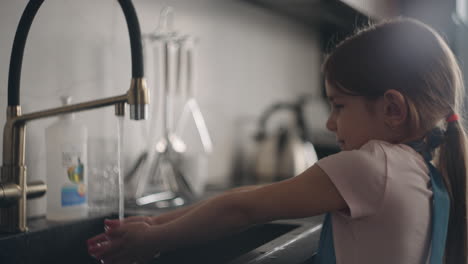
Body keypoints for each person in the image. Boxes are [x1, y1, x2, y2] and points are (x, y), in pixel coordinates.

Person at [87, 18, 468, 264]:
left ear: (392, 109)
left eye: (339, 105)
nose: (330, 122)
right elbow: (243, 202)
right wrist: (154, 224)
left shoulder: (370, 165)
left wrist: (156, 239)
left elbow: (243, 208)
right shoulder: (423, 172)